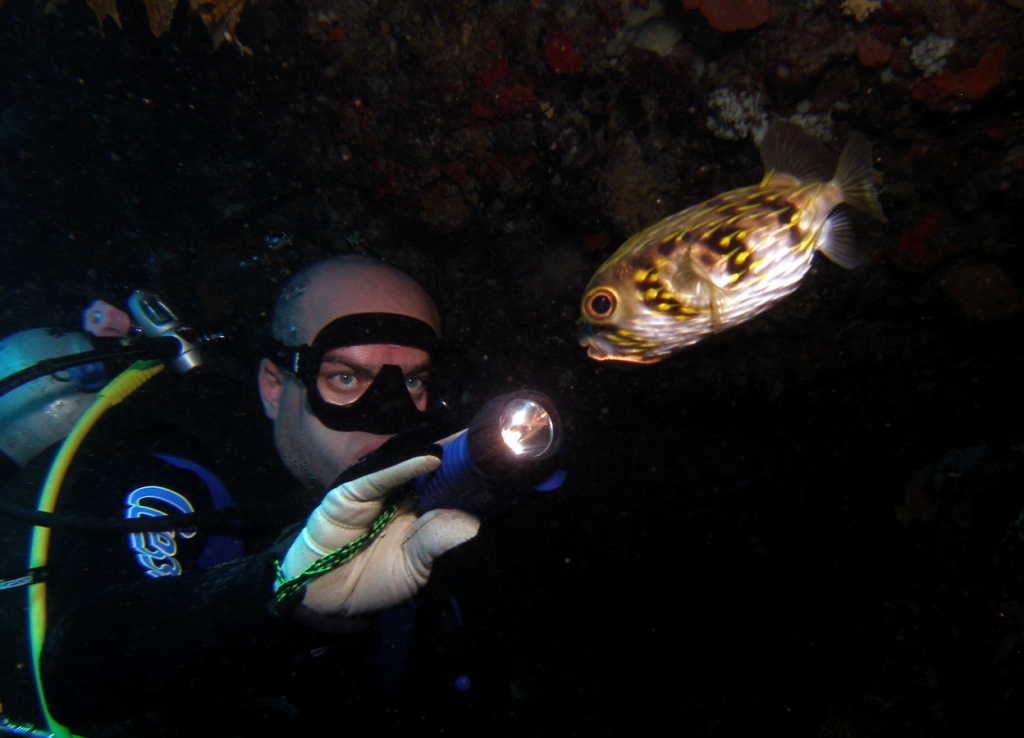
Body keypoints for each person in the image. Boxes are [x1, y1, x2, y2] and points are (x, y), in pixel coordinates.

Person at [0, 255, 480, 736]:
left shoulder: (426, 496)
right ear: (274, 388)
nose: (388, 418)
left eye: (412, 381)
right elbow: (79, 670)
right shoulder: (175, 472)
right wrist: (281, 591)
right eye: (345, 378)